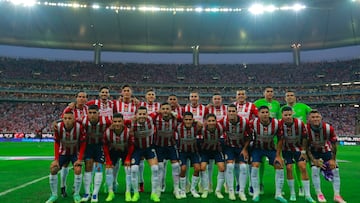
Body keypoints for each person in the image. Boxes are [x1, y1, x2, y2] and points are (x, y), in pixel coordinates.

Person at [306, 110, 347, 203]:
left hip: (326, 151)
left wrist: (333, 159)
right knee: (314, 170)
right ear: (309, 119)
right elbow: (306, 147)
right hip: (313, 152)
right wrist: (313, 160)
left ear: (321, 118)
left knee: (335, 170)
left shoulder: (328, 128)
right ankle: (319, 193)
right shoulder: (306, 129)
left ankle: (337, 195)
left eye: (317, 117)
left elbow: (333, 145)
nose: (315, 119)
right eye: (313, 117)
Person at [46, 110, 86, 203]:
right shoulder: (58, 127)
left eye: (69, 118)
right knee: (53, 169)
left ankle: (76, 194)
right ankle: (54, 195)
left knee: (78, 169)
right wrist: (56, 159)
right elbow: (56, 143)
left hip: (74, 153)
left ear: (74, 119)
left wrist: (80, 159)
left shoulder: (79, 127)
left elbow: (83, 143)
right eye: (65, 118)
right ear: (62, 119)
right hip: (63, 153)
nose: (67, 120)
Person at [250, 106, 287, 203]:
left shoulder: (276, 123)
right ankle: (256, 193)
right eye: (262, 112)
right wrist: (248, 152)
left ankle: (278, 194)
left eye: (267, 112)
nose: (265, 114)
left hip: (270, 148)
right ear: (258, 114)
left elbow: (280, 139)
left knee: (279, 165)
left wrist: (278, 155)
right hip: (257, 149)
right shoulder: (253, 123)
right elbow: (248, 138)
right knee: (255, 166)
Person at [280, 107, 316, 203]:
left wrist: (303, 151)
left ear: (292, 114)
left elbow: (304, 137)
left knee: (303, 167)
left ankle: (307, 195)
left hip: (298, 149)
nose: (288, 117)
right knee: (289, 168)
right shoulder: (279, 124)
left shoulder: (299, 124)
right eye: (285, 115)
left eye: (289, 114)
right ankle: (292, 193)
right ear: (282, 115)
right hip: (286, 150)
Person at [59, 91, 88, 198]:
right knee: (65, 165)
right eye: (80, 97)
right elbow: (62, 121)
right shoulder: (69, 109)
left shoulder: (87, 109)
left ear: (86, 99)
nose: (81, 99)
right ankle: (63, 187)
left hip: (82, 141)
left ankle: (76, 189)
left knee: (79, 165)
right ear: (76, 98)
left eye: (84, 97)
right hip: (69, 141)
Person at [81, 105, 112, 203]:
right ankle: (87, 193)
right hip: (89, 146)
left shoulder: (106, 121)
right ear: (87, 113)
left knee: (99, 167)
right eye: (90, 113)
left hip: (100, 147)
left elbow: (117, 123)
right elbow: (71, 121)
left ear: (99, 113)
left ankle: (95, 193)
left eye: (95, 113)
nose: (92, 115)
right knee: (88, 167)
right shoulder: (83, 121)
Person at [129, 106, 160, 202]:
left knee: (155, 168)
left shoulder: (151, 119)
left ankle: (154, 193)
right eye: (140, 114)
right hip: (137, 149)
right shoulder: (132, 123)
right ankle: (136, 193)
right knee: (134, 169)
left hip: (149, 147)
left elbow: (160, 111)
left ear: (147, 114)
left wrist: (174, 113)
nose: (142, 116)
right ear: (136, 115)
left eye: (144, 114)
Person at [220, 104, 250, 201]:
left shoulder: (245, 121)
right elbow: (214, 126)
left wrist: (245, 149)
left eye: (233, 111)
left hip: (241, 147)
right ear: (227, 112)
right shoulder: (224, 121)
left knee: (244, 167)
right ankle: (231, 191)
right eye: (230, 111)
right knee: (229, 166)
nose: (231, 113)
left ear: (237, 112)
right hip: (229, 147)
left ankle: (241, 192)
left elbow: (250, 136)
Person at [254, 86, 281, 195]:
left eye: (271, 91)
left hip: (272, 138)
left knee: (278, 163)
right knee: (259, 163)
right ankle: (259, 184)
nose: (269, 93)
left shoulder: (277, 104)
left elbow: (278, 119)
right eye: (267, 91)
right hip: (260, 136)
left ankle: (278, 189)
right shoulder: (257, 102)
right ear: (264, 93)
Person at [152, 102, 181, 198]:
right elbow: (148, 117)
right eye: (163, 109)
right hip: (159, 146)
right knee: (160, 167)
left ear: (170, 110)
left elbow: (183, 119)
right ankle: (159, 188)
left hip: (171, 145)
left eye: (167, 109)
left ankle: (176, 188)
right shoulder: (156, 118)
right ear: (160, 110)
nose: (165, 111)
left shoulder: (174, 118)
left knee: (176, 165)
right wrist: (156, 112)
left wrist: (176, 114)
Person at [103, 113, 134, 202]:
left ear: (123, 122)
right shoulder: (108, 132)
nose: (117, 123)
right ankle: (110, 192)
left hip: (125, 151)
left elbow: (131, 145)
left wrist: (128, 158)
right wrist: (108, 160)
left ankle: (127, 192)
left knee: (128, 169)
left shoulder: (128, 132)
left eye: (119, 121)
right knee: (108, 169)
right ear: (112, 122)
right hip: (113, 151)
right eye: (115, 121)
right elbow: (105, 146)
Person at [112, 84, 137, 192]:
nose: (126, 92)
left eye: (128, 90)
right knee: (115, 162)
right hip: (116, 136)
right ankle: (113, 182)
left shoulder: (136, 104)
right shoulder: (115, 104)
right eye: (125, 90)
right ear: (121, 93)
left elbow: (137, 117)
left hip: (130, 136)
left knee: (130, 161)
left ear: (131, 93)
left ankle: (131, 185)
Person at [233, 89, 258, 195]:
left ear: (246, 96)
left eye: (243, 94)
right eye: (239, 94)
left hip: (248, 137)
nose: (241, 96)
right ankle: (238, 184)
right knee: (237, 163)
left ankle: (252, 186)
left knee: (250, 162)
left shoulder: (251, 106)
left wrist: (250, 123)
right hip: (236, 139)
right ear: (236, 96)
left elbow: (258, 117)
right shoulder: (232, 106)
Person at [137, 88, 161, 192]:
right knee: (141, 160)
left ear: (155, 97)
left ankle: (158, 186)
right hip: (142, 136)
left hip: (156, 136)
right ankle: (140, 183)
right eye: (149, 94)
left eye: (152, 94)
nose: (151, 96)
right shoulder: (140, 105)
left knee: (158, 163)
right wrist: (155, 113)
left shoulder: (159, 106)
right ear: (146, 96)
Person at [198, 113, 226, 199]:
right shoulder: (202, 129)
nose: (211, 123)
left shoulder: (220, 128)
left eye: (213, 121)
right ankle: (205, 189)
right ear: (206, 122)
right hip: (205, 151)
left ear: (216, 121)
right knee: (202, 168)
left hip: (216, 150)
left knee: (222, 168)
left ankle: (218, 191)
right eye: (209, 121)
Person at [176, 111, 203, 199]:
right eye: (186, 119)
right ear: (183, 120)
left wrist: (195, 122)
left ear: (192, 120)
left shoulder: (196, 127)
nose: (188, 121)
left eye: (190, 120)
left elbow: (201, 125)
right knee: (183, 169)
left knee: (197, 168)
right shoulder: (178, 127)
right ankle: (183, 190)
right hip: (182, 151)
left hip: (193, 151)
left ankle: (193, 189)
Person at [206, 93, 227, 193]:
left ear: (221, 100)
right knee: (209, 164)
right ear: (212, 100)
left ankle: (225, 183)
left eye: (219, 98)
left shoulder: (226, 109)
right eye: (215, 99)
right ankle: (209, 184)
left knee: (224, 163)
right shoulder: (207, 109)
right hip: (209, 139)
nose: (217, 100)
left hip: (223, 139)